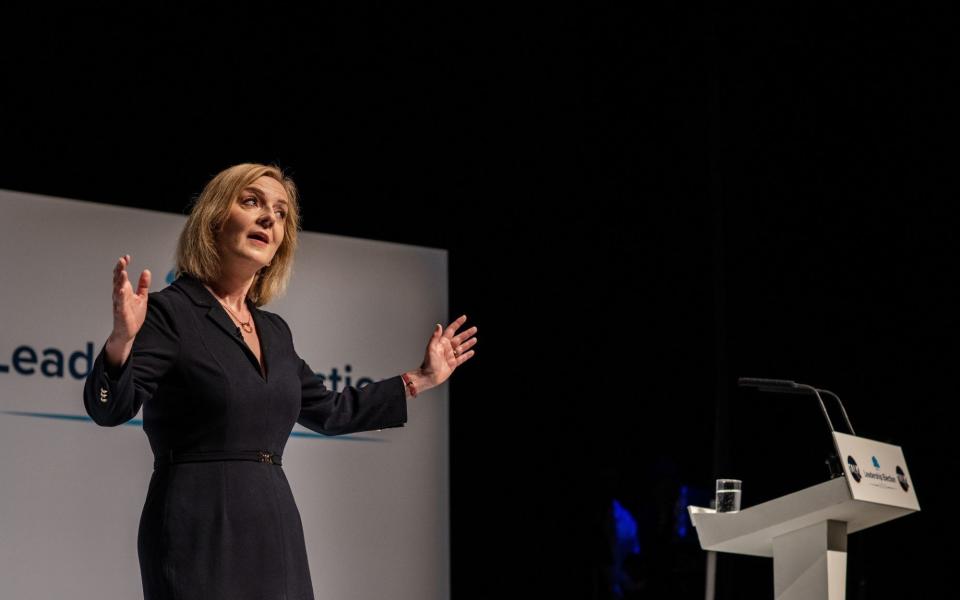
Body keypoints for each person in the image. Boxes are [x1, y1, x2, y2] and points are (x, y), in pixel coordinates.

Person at [82, 162, 477, 600]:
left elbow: (328, 411)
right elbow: (109, 408)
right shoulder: (169, 312)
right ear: (214, 219)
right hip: (201, 524)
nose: (270, 218)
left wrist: (419, 379)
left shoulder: (274, 331)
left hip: (274, 524)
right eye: (251, 202)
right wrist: (121, 340)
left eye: (281, 212)